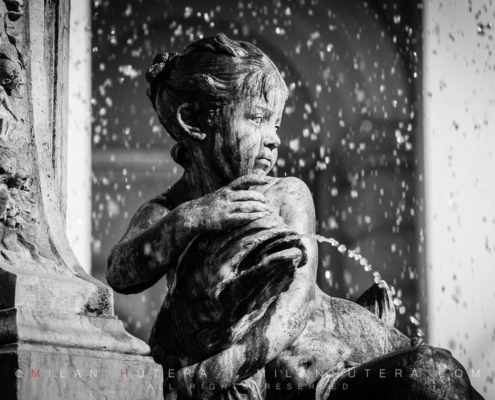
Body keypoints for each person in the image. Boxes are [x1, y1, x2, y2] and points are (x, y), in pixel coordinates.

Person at [106, 34, 483, 400]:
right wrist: (195, 217)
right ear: (193, 120)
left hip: (331, 362)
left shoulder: (285, 193)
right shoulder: (168, 211)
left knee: (435, 374)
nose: (274, 139)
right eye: (257, 118)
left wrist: (210, 375)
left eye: (277, 125)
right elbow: (121, 273)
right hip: (276, 380)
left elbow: (296, 302)